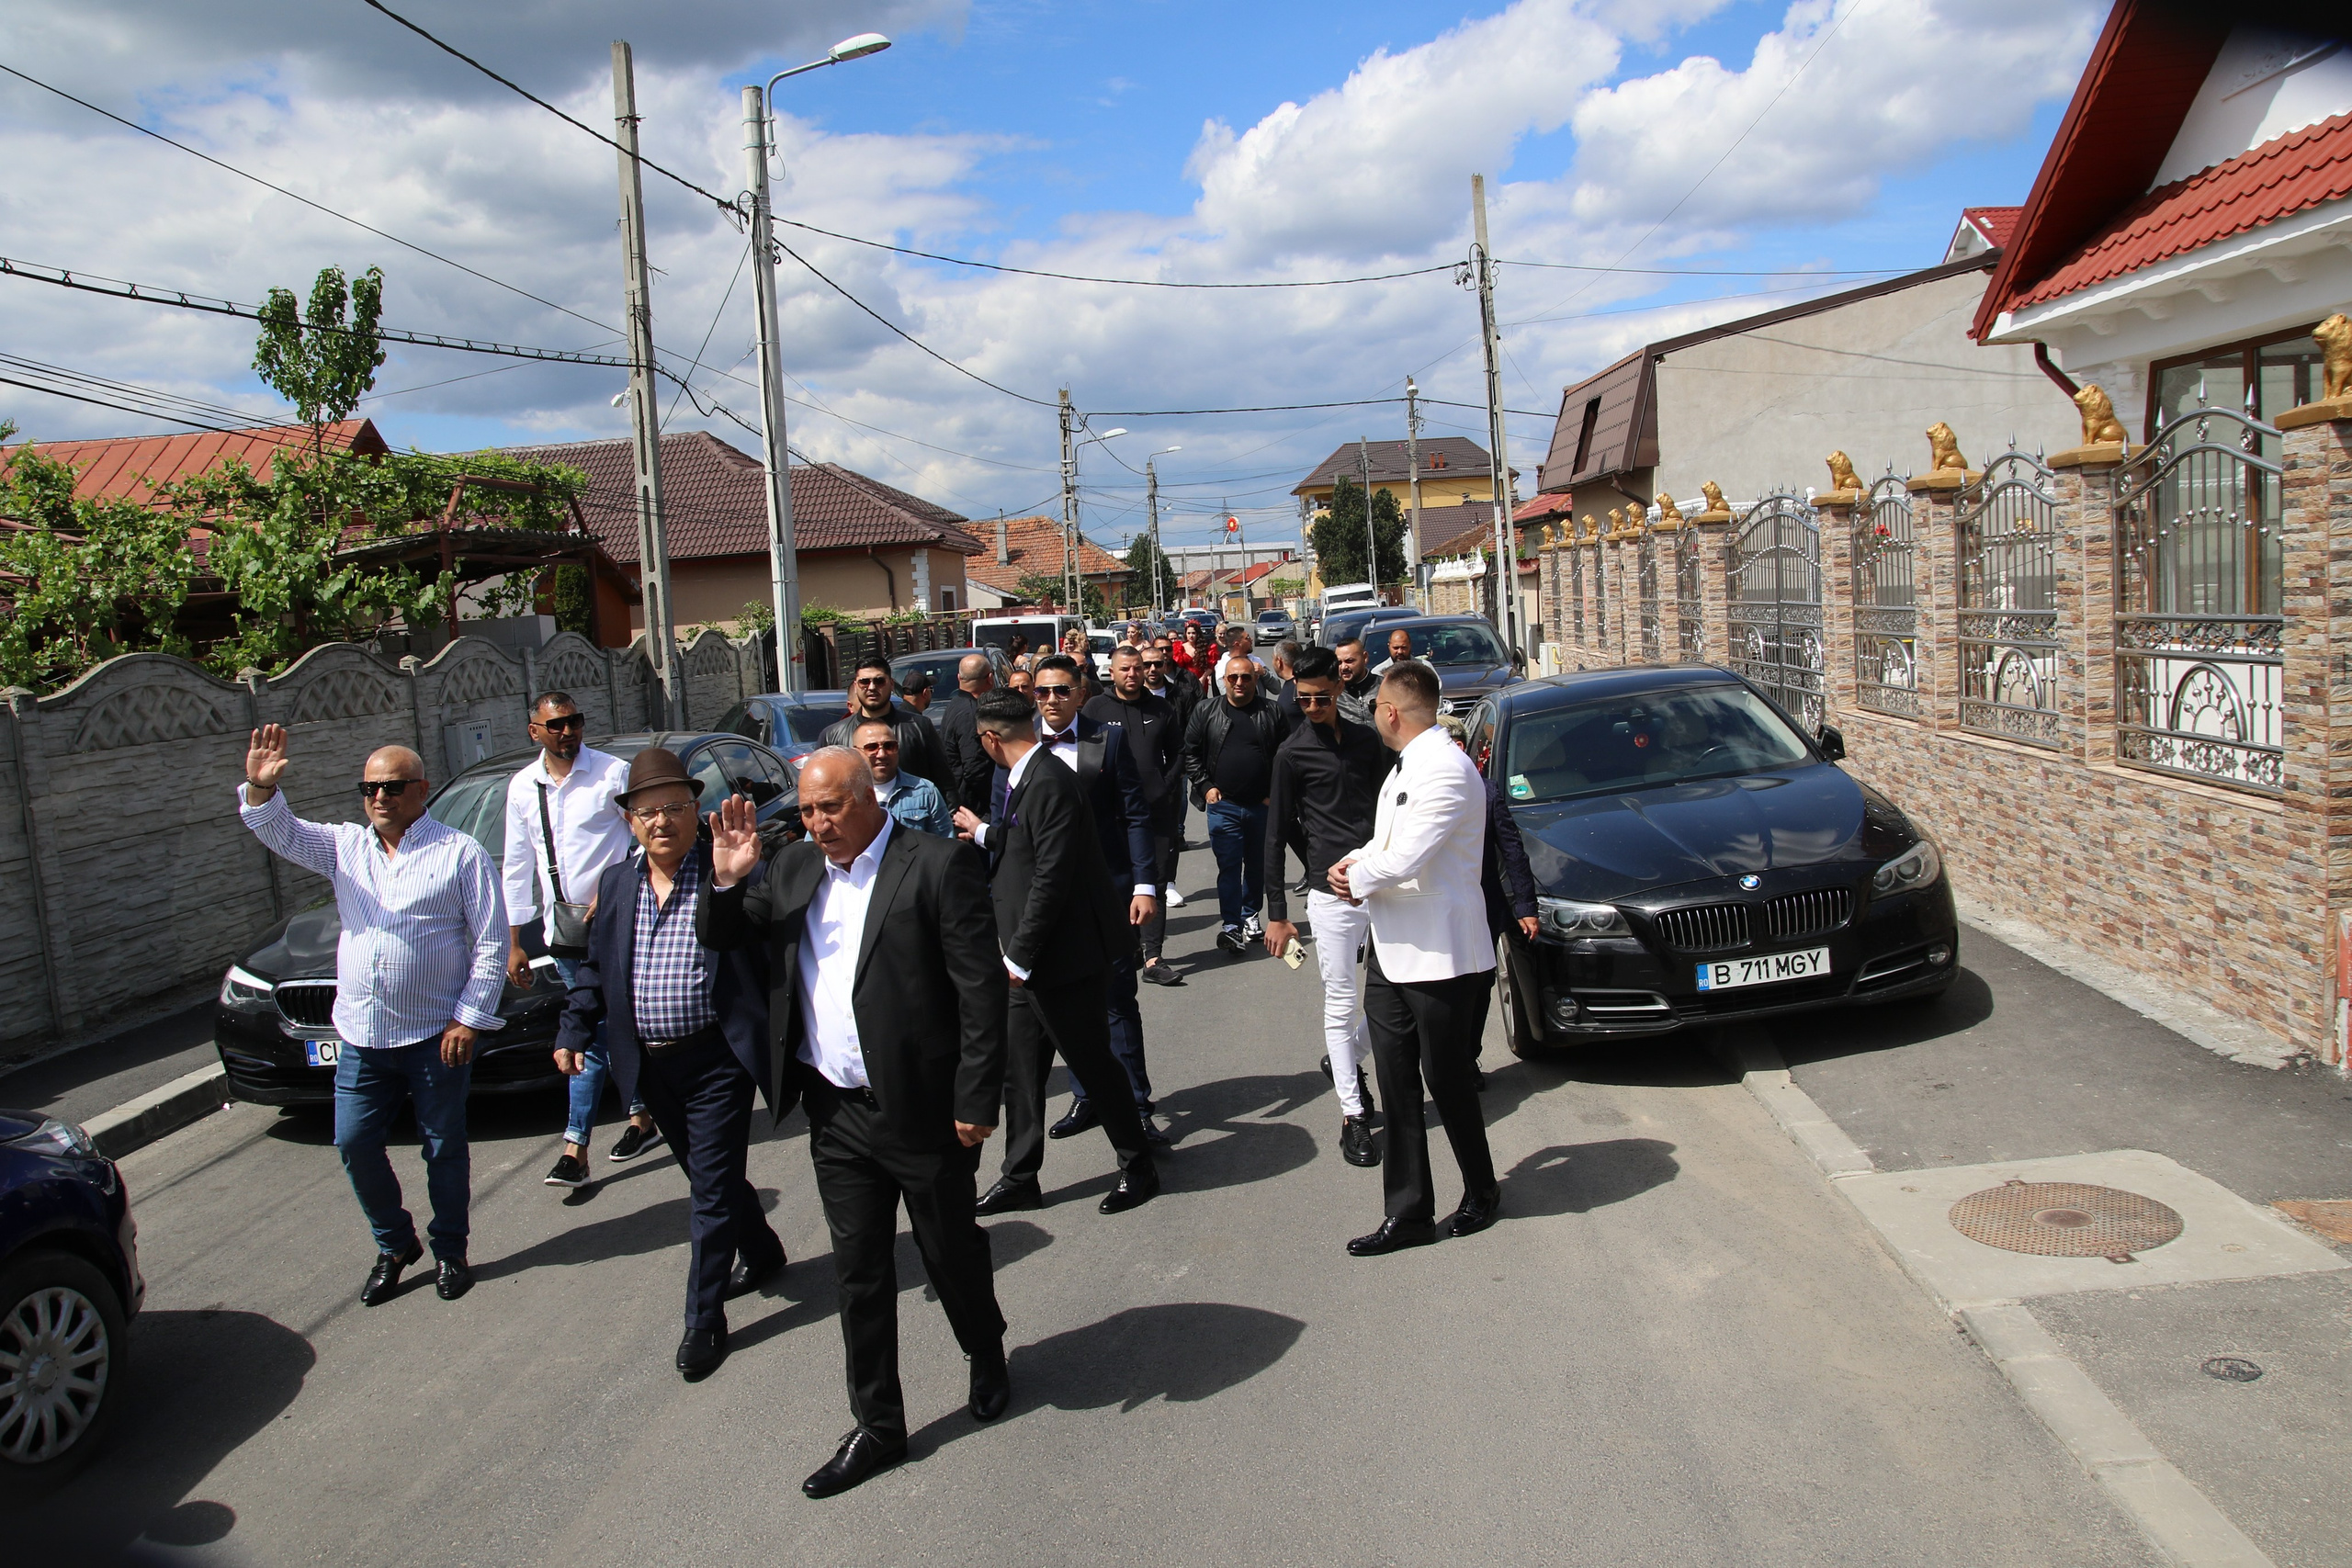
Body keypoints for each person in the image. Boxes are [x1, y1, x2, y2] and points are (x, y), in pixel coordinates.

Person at [699, 750, 1012, 1498]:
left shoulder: (935, 865)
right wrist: (727, 877)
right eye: (807, 811)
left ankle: (987, 1350)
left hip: (922, 1109)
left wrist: (976, 1097)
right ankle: (879, 1425)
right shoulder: (794, 867)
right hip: (834, 1113)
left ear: (869, 797)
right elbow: (725, 936)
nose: (817, 824)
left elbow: (979, 991)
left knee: (948, 1250)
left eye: (830, 807)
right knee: (860, 1272)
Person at [237, 726, 503, 1304]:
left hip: (436, 1036)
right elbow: (279, 831)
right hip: (362, 1034)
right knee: (354, 1142)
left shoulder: (460, 854)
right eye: (370, 788)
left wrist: (468, 1019)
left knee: (443, 1148)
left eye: (393, 786)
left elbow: (487, 944)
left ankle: (450, 1251)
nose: (380, 797)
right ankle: (394, 1242)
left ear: (421, 790)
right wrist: (260, 790)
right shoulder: (344, 848)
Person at [554, 748, 785, 1378]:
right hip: (651, 1069)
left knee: (709, 1191)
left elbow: (768, 941)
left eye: (675, 807)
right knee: (710, 1178)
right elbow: (596, 968)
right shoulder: (617, 883)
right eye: (647, 811)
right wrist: (574, 1025)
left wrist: (738, 878)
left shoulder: (725, 875)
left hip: (717, 1061)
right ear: (629, 819)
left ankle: (703, 1320)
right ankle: (762, 1249)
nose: (662, 821)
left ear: (695, 810)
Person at [956, 691, 1160, 1218]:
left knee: (1093, 1064)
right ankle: (1020, 1176)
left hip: (1060, 958)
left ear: (989, 738)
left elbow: (1053, 875)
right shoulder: (1032, 776)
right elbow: (1025, 844)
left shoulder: (1046, 780)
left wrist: (1018, 956)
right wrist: (983, 834)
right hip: (1031, 960)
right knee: (1020, 1072)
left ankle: (1138, 1164)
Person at [1329, 660, 1500, 1257]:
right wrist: (1355, 862)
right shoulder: (1408, 764)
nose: (1373, 710)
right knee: (1398, 1085)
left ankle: (1482, 1191)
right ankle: (1408, 1212)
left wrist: (1357, 878)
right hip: (1393, 953)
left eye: (1377, 702)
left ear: (1392, 711)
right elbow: (1387, 845)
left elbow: (1408, 858)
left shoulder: (1448, 770)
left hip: (1440, 957)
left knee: (1446, 1080)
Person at [502, 692, 660, 1189]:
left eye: (574, 722)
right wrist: (514, 941)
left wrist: (615, 889)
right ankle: (640, 1116)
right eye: (555, 725)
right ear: (535, 731)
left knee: (600, 1033)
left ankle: (576, 1146)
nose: (567, 732)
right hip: (564, 933)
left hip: (617, 924)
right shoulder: (523, 788)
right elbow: (515, 865)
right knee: (593, 1032)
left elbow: (646, 839)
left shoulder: (612, 774)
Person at [1261, 647, 1391, 1167]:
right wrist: (1277, 912)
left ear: (1338, 690)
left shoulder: (1367, 741)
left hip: (1382, 885)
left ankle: (1346, 1058)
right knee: (1341, 1002)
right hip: (1330, 897)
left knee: (1396, 996)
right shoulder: (1291, 754)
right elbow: (1275, 836)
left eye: (1320, 698)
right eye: (1303, 698)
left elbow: (1391, 805)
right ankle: (1353, 1113)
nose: (1311, 706)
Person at [1090, 645, 1187, 987]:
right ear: (1112, 673)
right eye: (1125, 669)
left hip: (1155, 812)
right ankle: (1126, 947)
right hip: (1110, 814)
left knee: (1155, 881)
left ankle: (1153, 956)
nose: (1133, 674)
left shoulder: (1161, 708)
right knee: (1118, 881)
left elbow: (1178, 752)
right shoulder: (1096, 708)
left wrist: (1166, 784)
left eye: (1137, 668)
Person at [1182, 655, 1289, 954]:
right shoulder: (1206, 711)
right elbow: (1190, 751)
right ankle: (1231, 925)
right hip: (1223, 805)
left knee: (1256, 866)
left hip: (1261, 805)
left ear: (1255, 679)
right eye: (1233, 678)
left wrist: (1272, 794)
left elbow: (1285, 756)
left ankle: (1250, 914)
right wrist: (1205, 786)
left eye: (1246, 678)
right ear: (1223, 680)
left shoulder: (1272, 712)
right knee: (1228, 867)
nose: (1239, 683)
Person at [820, 657, 949, 789]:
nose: (871, 687)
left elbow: (945, 782)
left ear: (891, 684)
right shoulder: (832, 736)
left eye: (879, 681)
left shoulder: (919, 727)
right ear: (855, 685)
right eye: (864, 682)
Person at [854, 717, 956, 838]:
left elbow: (944, 846)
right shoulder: (846, 795)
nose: (881, 754)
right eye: (872, 747)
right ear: (855, 752)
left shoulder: (924, 791)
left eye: (889, 746)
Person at [938, 652, 997, 814]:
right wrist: (993, 798)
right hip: (973, 806)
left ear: (959, 678)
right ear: (990, 678)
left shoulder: (956, 704)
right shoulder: (970, 713)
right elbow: (974, 766)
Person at [1333, 637, 1380, 726]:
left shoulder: (1385, 688)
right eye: (1339, 662)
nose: (1343, 667)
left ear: (1365, 658)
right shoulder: (1334, 695)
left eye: (1349, 661)